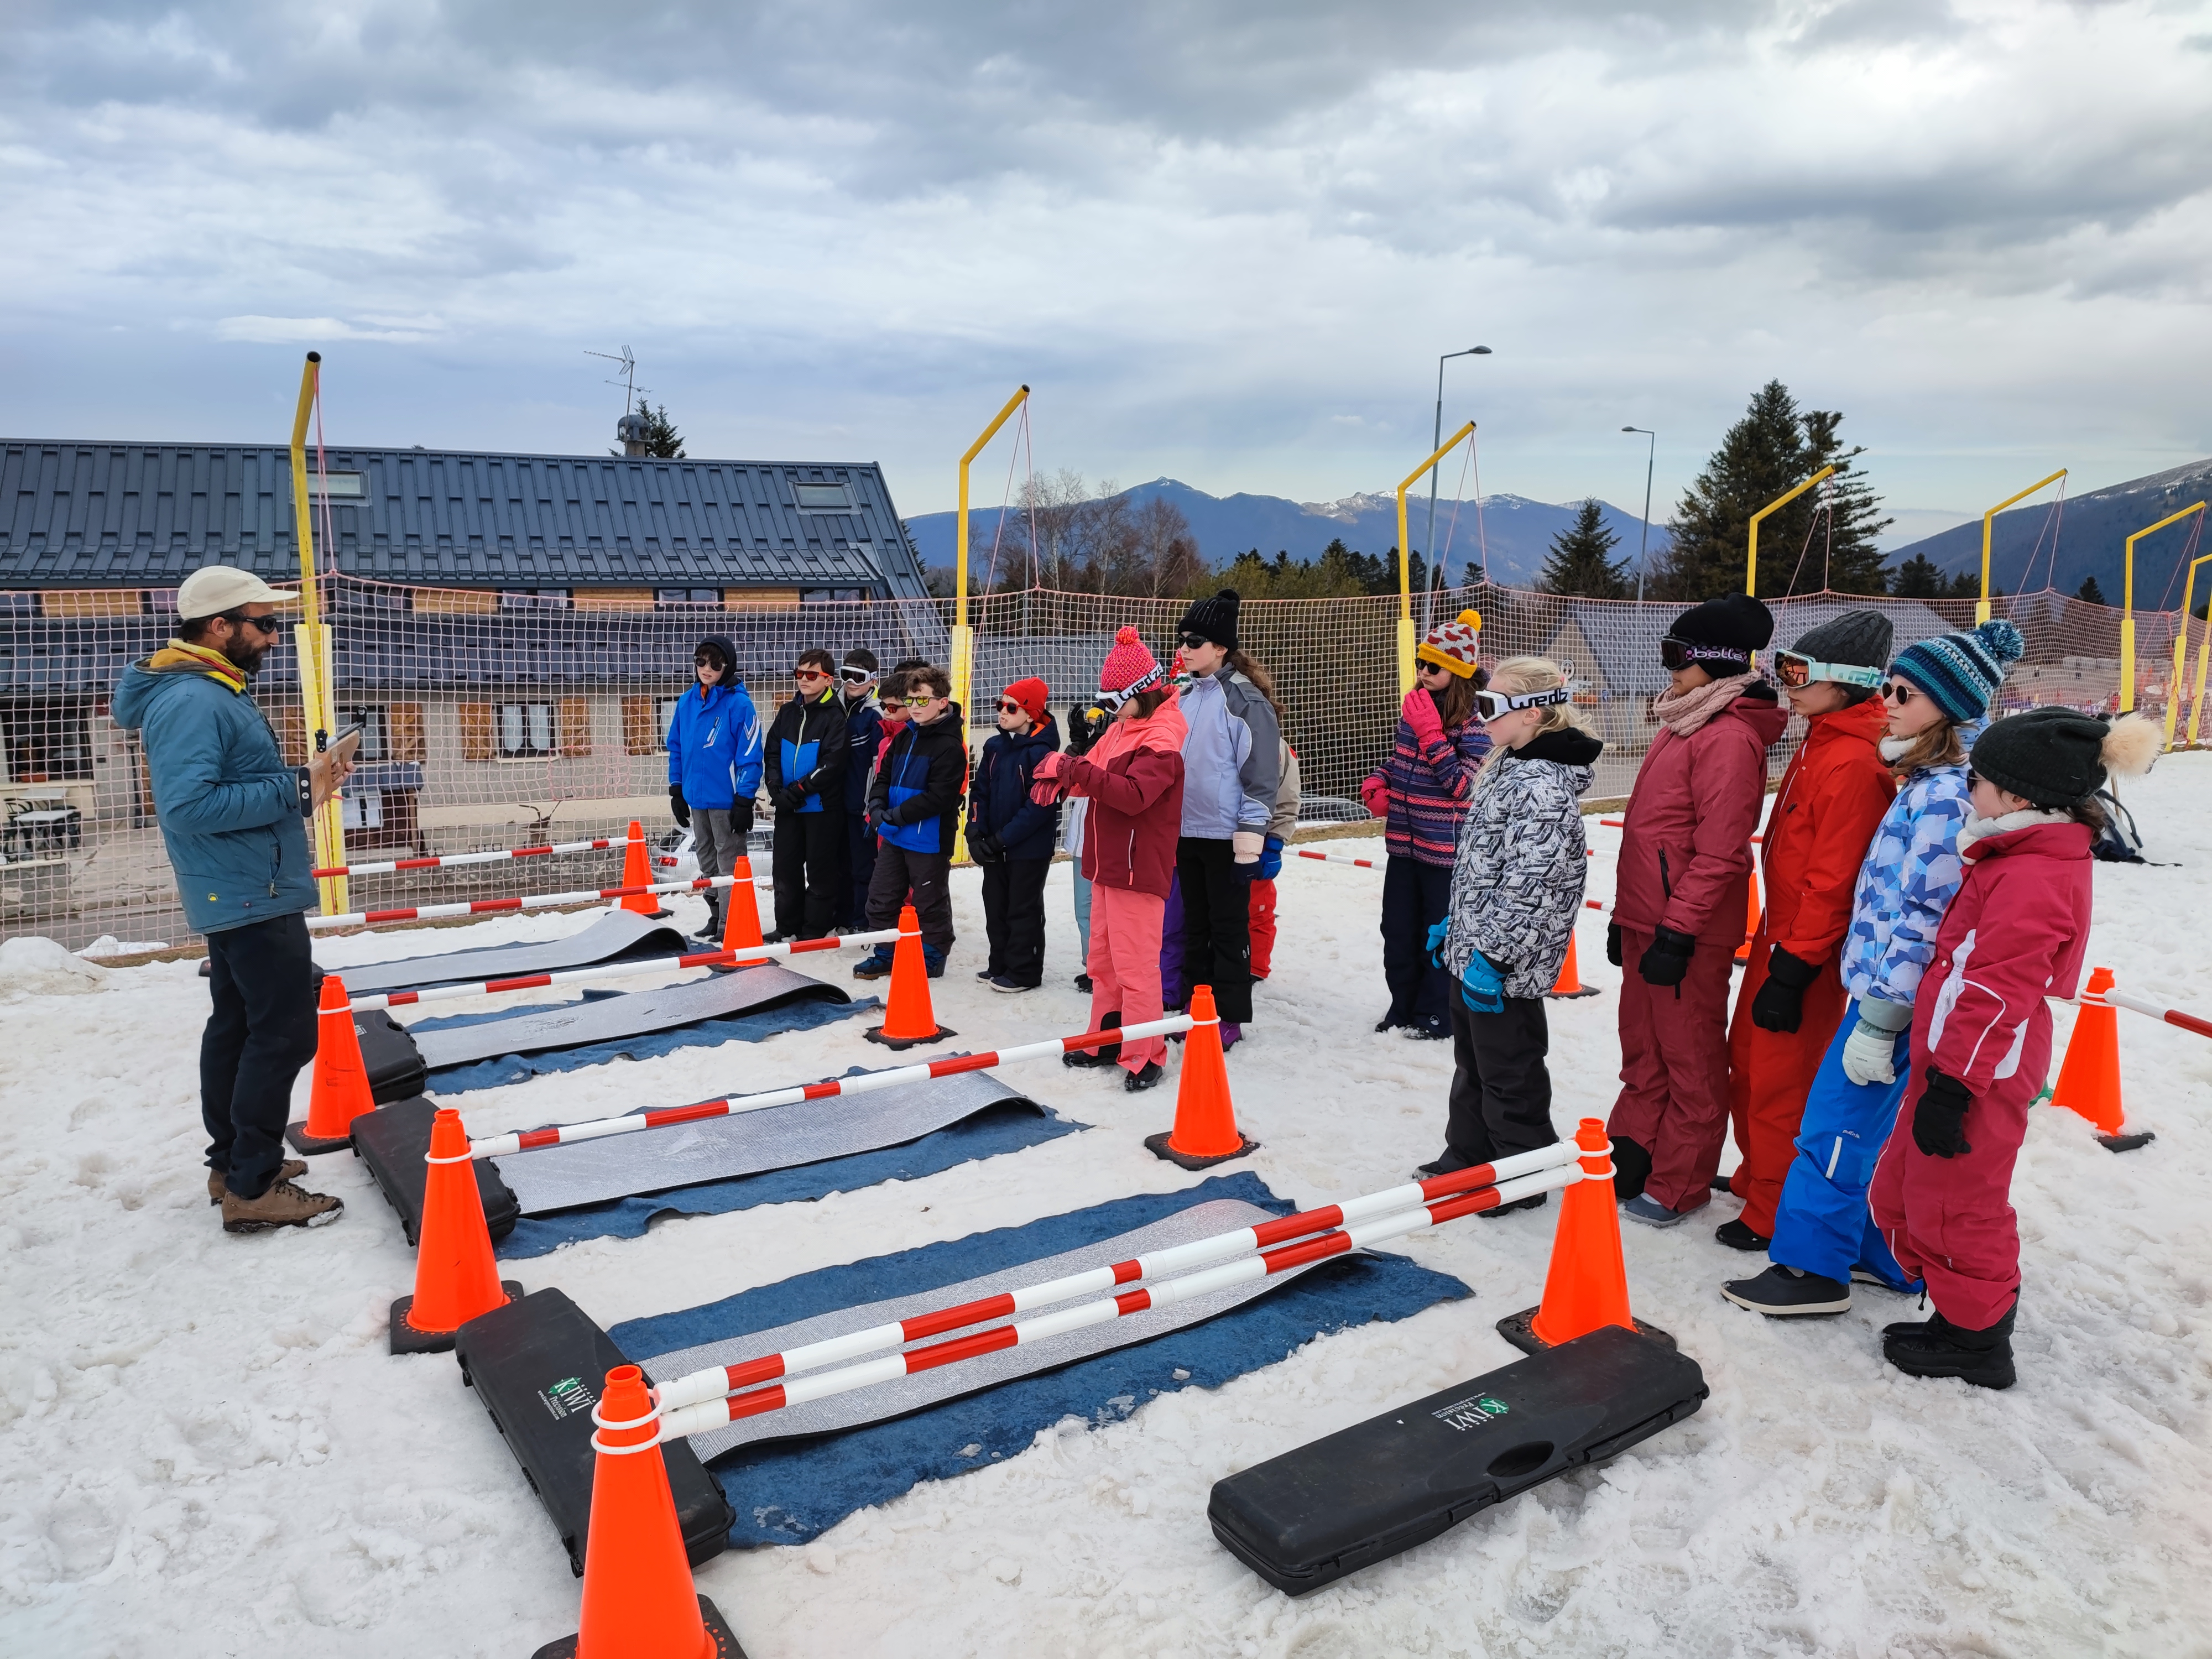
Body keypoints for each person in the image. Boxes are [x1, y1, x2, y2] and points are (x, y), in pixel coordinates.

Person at [1724, 619, 2025, 1316]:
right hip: (1877, 985)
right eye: (1888, 688)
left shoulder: (1944, 795)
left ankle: (1810, 1270)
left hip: (1888, 998)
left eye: (1904, 694)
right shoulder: (1924, 781)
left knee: (1835, 1127)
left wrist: (1882, 1014)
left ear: (1946, 710)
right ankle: (1876, 1252)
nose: (1886, 702)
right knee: (1859, 1129)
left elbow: (1923, 914)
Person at [1867, 709, 2158, 1389]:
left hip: (1980, 1068)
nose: (1968, 788)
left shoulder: (2031, 876)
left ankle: (1976, 1340)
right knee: (1917, 1185)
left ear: (2019, 796)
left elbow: (1997, 991)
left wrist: (1954, 1085)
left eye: (1979, 779)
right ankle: (1957, 1312)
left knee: (1958, 1201)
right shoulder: (2015, 856)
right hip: (1958, 1056)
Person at [111, 566, 354, 1233]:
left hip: (242, 885)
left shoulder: (209, 688)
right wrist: (295, 789)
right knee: (284, 1034)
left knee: (239, 1028)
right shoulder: (196, 699)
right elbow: (188, 807)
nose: (274, 637)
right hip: (251, 892)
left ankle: (234, 1166)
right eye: (265, 624)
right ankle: (252, 1184)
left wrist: (307, 782)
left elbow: (224, 789)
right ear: (220, 626)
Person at [1718, 612, 1898, 1250]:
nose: (1787, 686)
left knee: (1781, 1077)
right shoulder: (1821, 737)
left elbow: (1833, 877)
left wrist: (1796, 966)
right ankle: (1757, 1177)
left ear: (1846, 682)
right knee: (1747, 1061)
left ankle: (1774, 1207)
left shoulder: (1852, 761)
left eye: (1800, 674)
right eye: (1784, 670)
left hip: (1805, 948)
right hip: (1778, 934)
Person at [1608, 593, 1788, 1227]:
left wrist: (1678, 932)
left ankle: (1679, 1181)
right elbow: (1653, 834)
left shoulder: (1728, 737)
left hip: (1686, 930)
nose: (1669, 670)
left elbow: (1720, 852)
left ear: (1714, 661)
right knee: (1642, 1047)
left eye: (1676, 656)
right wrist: (1625, 918)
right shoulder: (1682, 721)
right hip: (1647, 918)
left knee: (1689, 1057)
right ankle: (1634, 1156)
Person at [1427, 659, 1604, 1208]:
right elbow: (1488, 865)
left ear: (1531, 713)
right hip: (1476, 946)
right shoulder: (1509, 765)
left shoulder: (1541, 786)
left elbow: (1534, 883)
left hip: (1505, 963)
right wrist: (1456, 926)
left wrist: (1496, 958)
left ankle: (1523, 1176)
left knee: (1509, 1070)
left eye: (1490, 706)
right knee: (1473, 1063)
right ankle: (1468, 1155)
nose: (1480, 717)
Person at [1034, 628, 1187, 1091]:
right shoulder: (1122, 728)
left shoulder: (1162, 735)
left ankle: (1145, 1052)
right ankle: (1105, 1038)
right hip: (1106, 863)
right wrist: (1064, 781)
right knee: (1102, 961)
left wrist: (1072, 768)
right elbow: (1094, 775)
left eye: (1114, 700)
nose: (1109, 709)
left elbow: (1135, 796)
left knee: (1136, 966)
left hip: (1137, 869)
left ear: (1142, 692)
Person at [1361, 609, 1490, 1038]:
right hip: (1403, 843)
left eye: (1433, 667)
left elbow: (1463, 786)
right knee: (1397, 931)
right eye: (1421, 662)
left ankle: (1436, 1015)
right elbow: (1402, 761)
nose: (1422, 672)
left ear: (1458, 672)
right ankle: (1402, 1007)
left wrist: (1432, 734)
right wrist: (1379, 780)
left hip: (1443, 853)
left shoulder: (1476, 722)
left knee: (1437, 935)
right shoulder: (1416, 706)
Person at [1173, 589, 1281, 1051]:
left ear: (1220, 647)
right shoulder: (1183, 697)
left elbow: (1260, 778)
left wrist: (1250, 843)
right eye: (1181, 639)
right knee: (1194, 926)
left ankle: (1229, 1015)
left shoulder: (1245, 701)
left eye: (1194, 641)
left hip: (1225, 837)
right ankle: (1196, 1006)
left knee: (1228, 928)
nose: (1184, 648)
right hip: (1186, 832)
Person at [855, 664, 965, 978]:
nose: (915, 707)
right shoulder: (905, 736)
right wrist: (877, 809)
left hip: (928, 839)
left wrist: (896, 816)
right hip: (894, 834)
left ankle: (932, 955)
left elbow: (939, 797)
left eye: (922, 700)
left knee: (929, 901)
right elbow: (883, 778)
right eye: (910, 700)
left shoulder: (949, 746)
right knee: (882, 895)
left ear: (942, 702)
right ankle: (886, 952)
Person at [665, 634, 763, 948]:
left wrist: (745, 798)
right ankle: (716, 913)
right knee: (706, 857)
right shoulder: (687, 701)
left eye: (715, 664)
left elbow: (750, 754)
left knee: (729, 860)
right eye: (701, 662)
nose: (707, 669)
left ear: (727, 667)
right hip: (696, 797)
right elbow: (677, 748)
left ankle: (731, 922)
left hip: (726, 799)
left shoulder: (739, 704)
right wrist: (676, 789)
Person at [967, 676, 1061, 992]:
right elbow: (980, 792)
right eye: (1000, 705)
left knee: (1023, 908)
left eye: (1011, 707)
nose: (1002, 712)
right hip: (995, 846)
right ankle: (1000, 964)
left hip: (1028, 849)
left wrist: (1002, 839)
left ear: (1031, 714)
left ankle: (1024, 971)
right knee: (995, 906)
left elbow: (1038, 808)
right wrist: (975, 831)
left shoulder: (1043, 753)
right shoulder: (995, 746)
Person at [762, 649, 848, 941]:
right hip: (788, 808)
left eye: (812, 675)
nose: (804, 680)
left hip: (821, 809)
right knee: (784, 869)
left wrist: (799, 789)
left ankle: (814, 930)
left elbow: (832, 763)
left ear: (828, 680)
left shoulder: (835, 717)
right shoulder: (788, 711)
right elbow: (772, 752)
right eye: (799, 673)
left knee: (821, 872)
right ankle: (787, 926)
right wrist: (776, 789)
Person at [1061, 701, 1109, 993]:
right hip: (1082, 836)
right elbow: (1066, 780)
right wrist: (1079, 742)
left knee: (1107, 908)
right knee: (1085, 907)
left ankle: (1108, 969)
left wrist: (1098, 745)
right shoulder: (1095, 741)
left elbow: (1102, 777)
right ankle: (1093, 967)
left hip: (1107, 837)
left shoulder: (1127, 741)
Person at [837, 648, 884, 931]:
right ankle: (840, 918)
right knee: (837, 865)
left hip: (860, 806)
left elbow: (879, 766)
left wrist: (871, 804)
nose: (851, 683)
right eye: (846, 675)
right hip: (833, 803)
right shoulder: (834, 707)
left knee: (862, 867)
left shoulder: (875, 716)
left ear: (873, 680)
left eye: (859, 677)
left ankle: (862, 921)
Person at [1246, 738, 1299, 980]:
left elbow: (1288, 798)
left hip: (1260, 839)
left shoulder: (1277, 746)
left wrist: (1276, 842)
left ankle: (1256, 966)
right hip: (1218, 837)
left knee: (1258, 907)